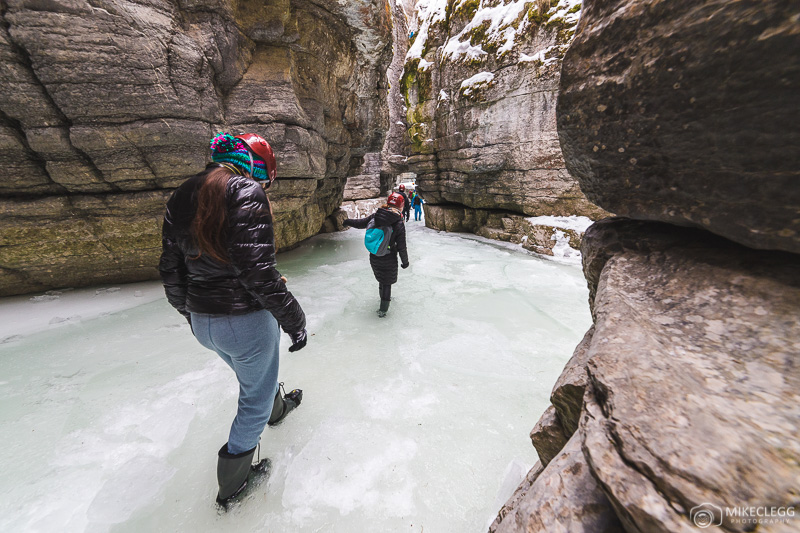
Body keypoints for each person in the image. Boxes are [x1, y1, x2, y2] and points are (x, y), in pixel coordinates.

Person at [159, 132, 308, 507]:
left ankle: (277, 408)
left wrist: (190, 312)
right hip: (242, 322)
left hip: (203, 322)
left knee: (255, 376)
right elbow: (257, 272)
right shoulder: (244, 191)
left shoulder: (182, 194)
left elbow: (170, 268)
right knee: (252, 399)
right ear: (256, 165)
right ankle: (234, 486)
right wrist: (295, 319)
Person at [343, 192, 409, 317]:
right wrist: (405, 262)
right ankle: (383, 312)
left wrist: (347, 221)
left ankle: (383, 302)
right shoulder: (398, 222)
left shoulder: (376, 215)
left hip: (374, 255)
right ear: (401, 206)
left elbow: (360, 223)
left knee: (381, 279)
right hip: (389, 257)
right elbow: (402, 247)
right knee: (387, 283)